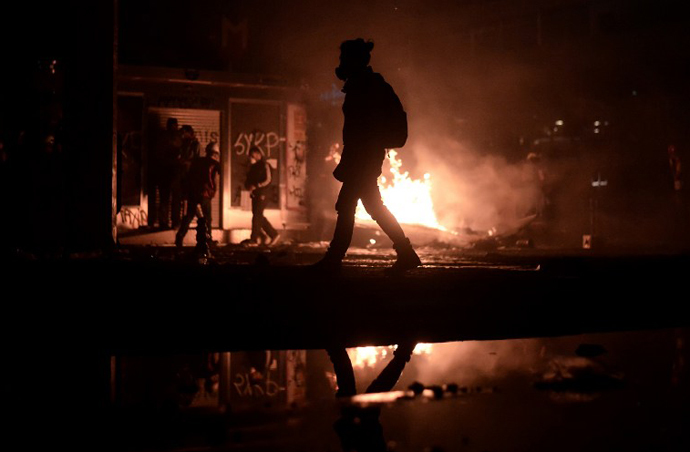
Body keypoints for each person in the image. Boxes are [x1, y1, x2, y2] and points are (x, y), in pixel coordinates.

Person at [313, 38, 421, 275]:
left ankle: (333, 260)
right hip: (364, 157)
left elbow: (363, 130)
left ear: (354, 61)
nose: (340, 63)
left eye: (344, 59)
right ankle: (405, 252)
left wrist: (353, 159)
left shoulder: (365, 87)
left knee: (348, 205)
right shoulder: (364, 85)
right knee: (371, 206)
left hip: (363, 158)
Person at [175, 141, 221, 248]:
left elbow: (189, 176)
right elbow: (215, 180)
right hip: (205, 194)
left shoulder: (197, 161)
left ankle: (179, 237)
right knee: (207, 218)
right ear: (215, 153)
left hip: (193, 193)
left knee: (189, 216)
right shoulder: (215, 164)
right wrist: (213, 191)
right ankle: (208, 239)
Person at [244, 146, 280, 246]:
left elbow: (268, 180)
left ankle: (254, 239)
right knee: (258, 215)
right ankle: (273, 234)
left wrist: (257, 186)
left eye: (253, 155)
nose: (251, 157)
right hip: (256, 194)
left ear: (259, 154)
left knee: (257, 215)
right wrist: (249, 187)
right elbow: (249, 179)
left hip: (263, 193)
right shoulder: (253, 167)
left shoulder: (265, 165)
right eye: (250, 155)